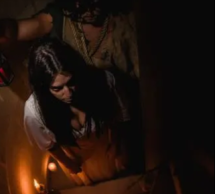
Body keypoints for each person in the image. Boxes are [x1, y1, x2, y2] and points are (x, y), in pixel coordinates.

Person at [0, 0, 139, 83]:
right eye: (77, 3)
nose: (86, 10)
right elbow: (18, 29)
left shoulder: (123, 20)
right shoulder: (62, 18)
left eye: (91, 2)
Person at [24, 37, 135, 185]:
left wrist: (120, 148)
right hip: (74, 152)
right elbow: (50, 145)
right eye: (58, 89)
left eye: (71, 82)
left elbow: (121, 117)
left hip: (105, 142)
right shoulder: (34, 113)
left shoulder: (103, 81)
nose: (69, 93)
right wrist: (69, 163)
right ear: (44, 88)